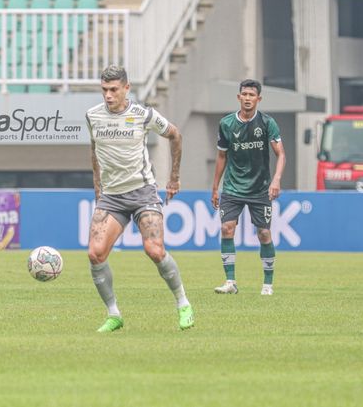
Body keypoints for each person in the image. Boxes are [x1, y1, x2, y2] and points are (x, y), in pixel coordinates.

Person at [85, 65, 194, 332]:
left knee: (154, 250)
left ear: (126, 88)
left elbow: (175, 134)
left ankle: (183, 303)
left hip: (143, 192)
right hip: (112, 196)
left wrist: (174, 177)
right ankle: (114, 314)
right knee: (95, 254)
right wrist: (97, 184)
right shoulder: (92, 116)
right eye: (104, 90)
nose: (108, 96)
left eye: (113, 90)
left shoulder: (143, 115)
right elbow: (94, 149)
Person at [211, 79, 286, 296]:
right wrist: (215, 187)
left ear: (258, 99)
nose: (247, 98)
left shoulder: (267, 123)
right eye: (244, 94)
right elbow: (221, 156)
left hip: (260, 188)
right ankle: (230, 282)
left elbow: (281, 154)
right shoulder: (226, 123)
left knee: (263, 233)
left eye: (251, 95)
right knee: (227, 228)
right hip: (233, 187)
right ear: (238, 97)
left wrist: (277, 179)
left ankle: (268, 284)